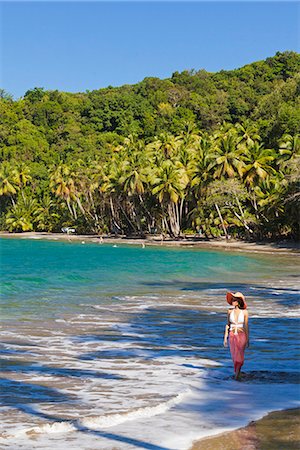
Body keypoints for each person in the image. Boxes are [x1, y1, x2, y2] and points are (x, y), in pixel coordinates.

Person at [223, 291, 249, 380]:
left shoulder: (245, 312)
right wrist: (225, 337)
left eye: (234, 300)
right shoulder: (230, 311)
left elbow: (246, 326)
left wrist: (248, 339)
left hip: (242, 336)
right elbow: (227, 325)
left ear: (238, 301)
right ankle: (237, 375)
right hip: (232, 335)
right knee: (234, 356)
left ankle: (237, 374)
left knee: (240, 357)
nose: (233, 301)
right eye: (232, 300)